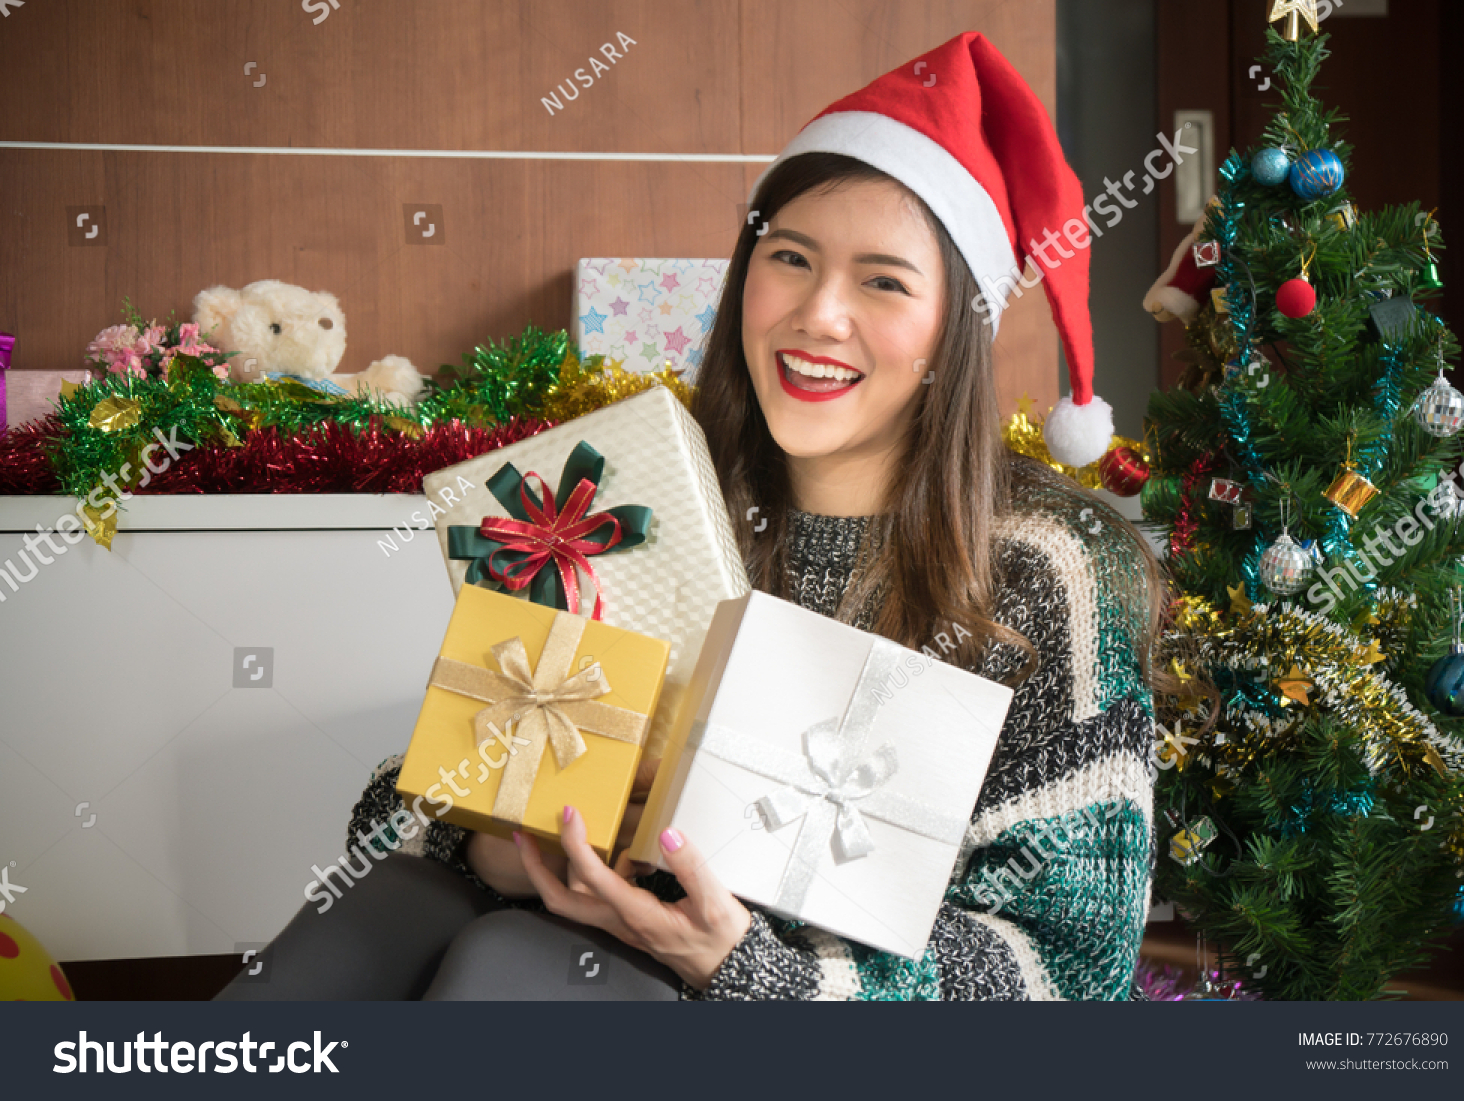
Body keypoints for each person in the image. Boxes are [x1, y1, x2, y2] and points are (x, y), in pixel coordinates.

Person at [219, 29, 1173, 1002]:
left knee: (506, 965)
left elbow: (1064, 968)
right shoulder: (638, 500)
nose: (819, 315)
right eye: (790, 258)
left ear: (953, 329)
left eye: (883, 281)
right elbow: (388, 817)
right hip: (571, 928)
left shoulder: (1045, 564)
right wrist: (504, 839)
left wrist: (743, 964)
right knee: (386, 912)